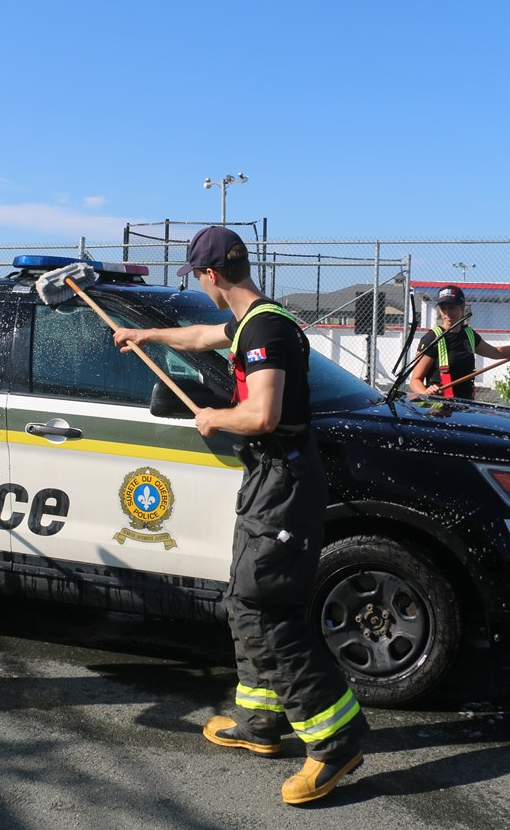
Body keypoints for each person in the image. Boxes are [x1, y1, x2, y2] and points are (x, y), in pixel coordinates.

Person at [113, 226, 368, 806]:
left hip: (284, 480)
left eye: (197, 279)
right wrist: (144, 334)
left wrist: (212, 416)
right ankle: (259, 722)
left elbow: (262, 414)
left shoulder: (268, 330)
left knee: (268, 607)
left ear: (210, 276)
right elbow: (204, 334)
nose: (200, 289)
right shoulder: (254, 320)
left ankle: (337, 741)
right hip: (268, 480)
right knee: (245, 596)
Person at [409, 285, 510, 399]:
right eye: (443, 308)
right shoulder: (432, 338)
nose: (447, 313)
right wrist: (426, 392)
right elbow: (415, 380)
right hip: (438, 409)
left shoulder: (469, 334)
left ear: (462, 307)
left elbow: (497, 352)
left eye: (452, 307)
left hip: (465, 404)